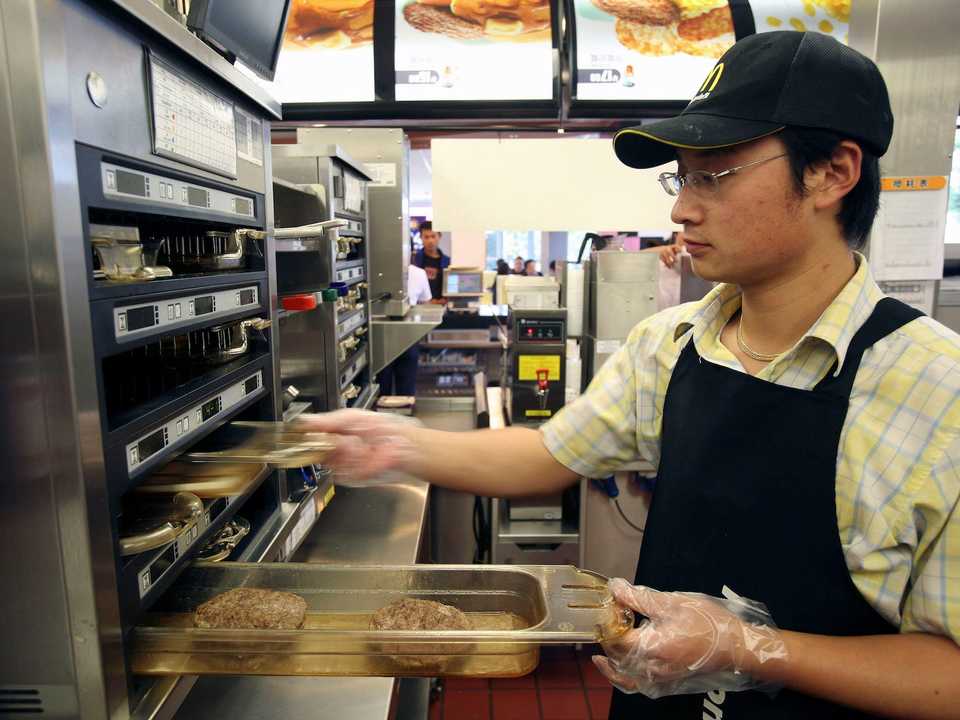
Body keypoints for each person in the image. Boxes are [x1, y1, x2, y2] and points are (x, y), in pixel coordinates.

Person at [306, 31, 960, 718]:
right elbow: (547, 452)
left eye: (717, 173)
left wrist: (750, 648)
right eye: (682, 176)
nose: (680, 208)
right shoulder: (670, 345)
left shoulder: (936, 394)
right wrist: (397, 444)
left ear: (832, 172)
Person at [377, 258, 433, 397]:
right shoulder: (419, 273)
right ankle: (404, 414)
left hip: (383, 334)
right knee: (405, 386)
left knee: (383, 386)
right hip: (407, 333)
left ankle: (383, 416)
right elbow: (426, 303)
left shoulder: (377, 271)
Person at [412, 221, 449, 301]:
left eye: (433, 236)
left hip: (440, 307)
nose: (430, 241)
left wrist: (444, 299)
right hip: (418, 306)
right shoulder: (413, 261)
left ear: (439, 236)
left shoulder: (447, 262)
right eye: (426, 237)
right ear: (421, 237)